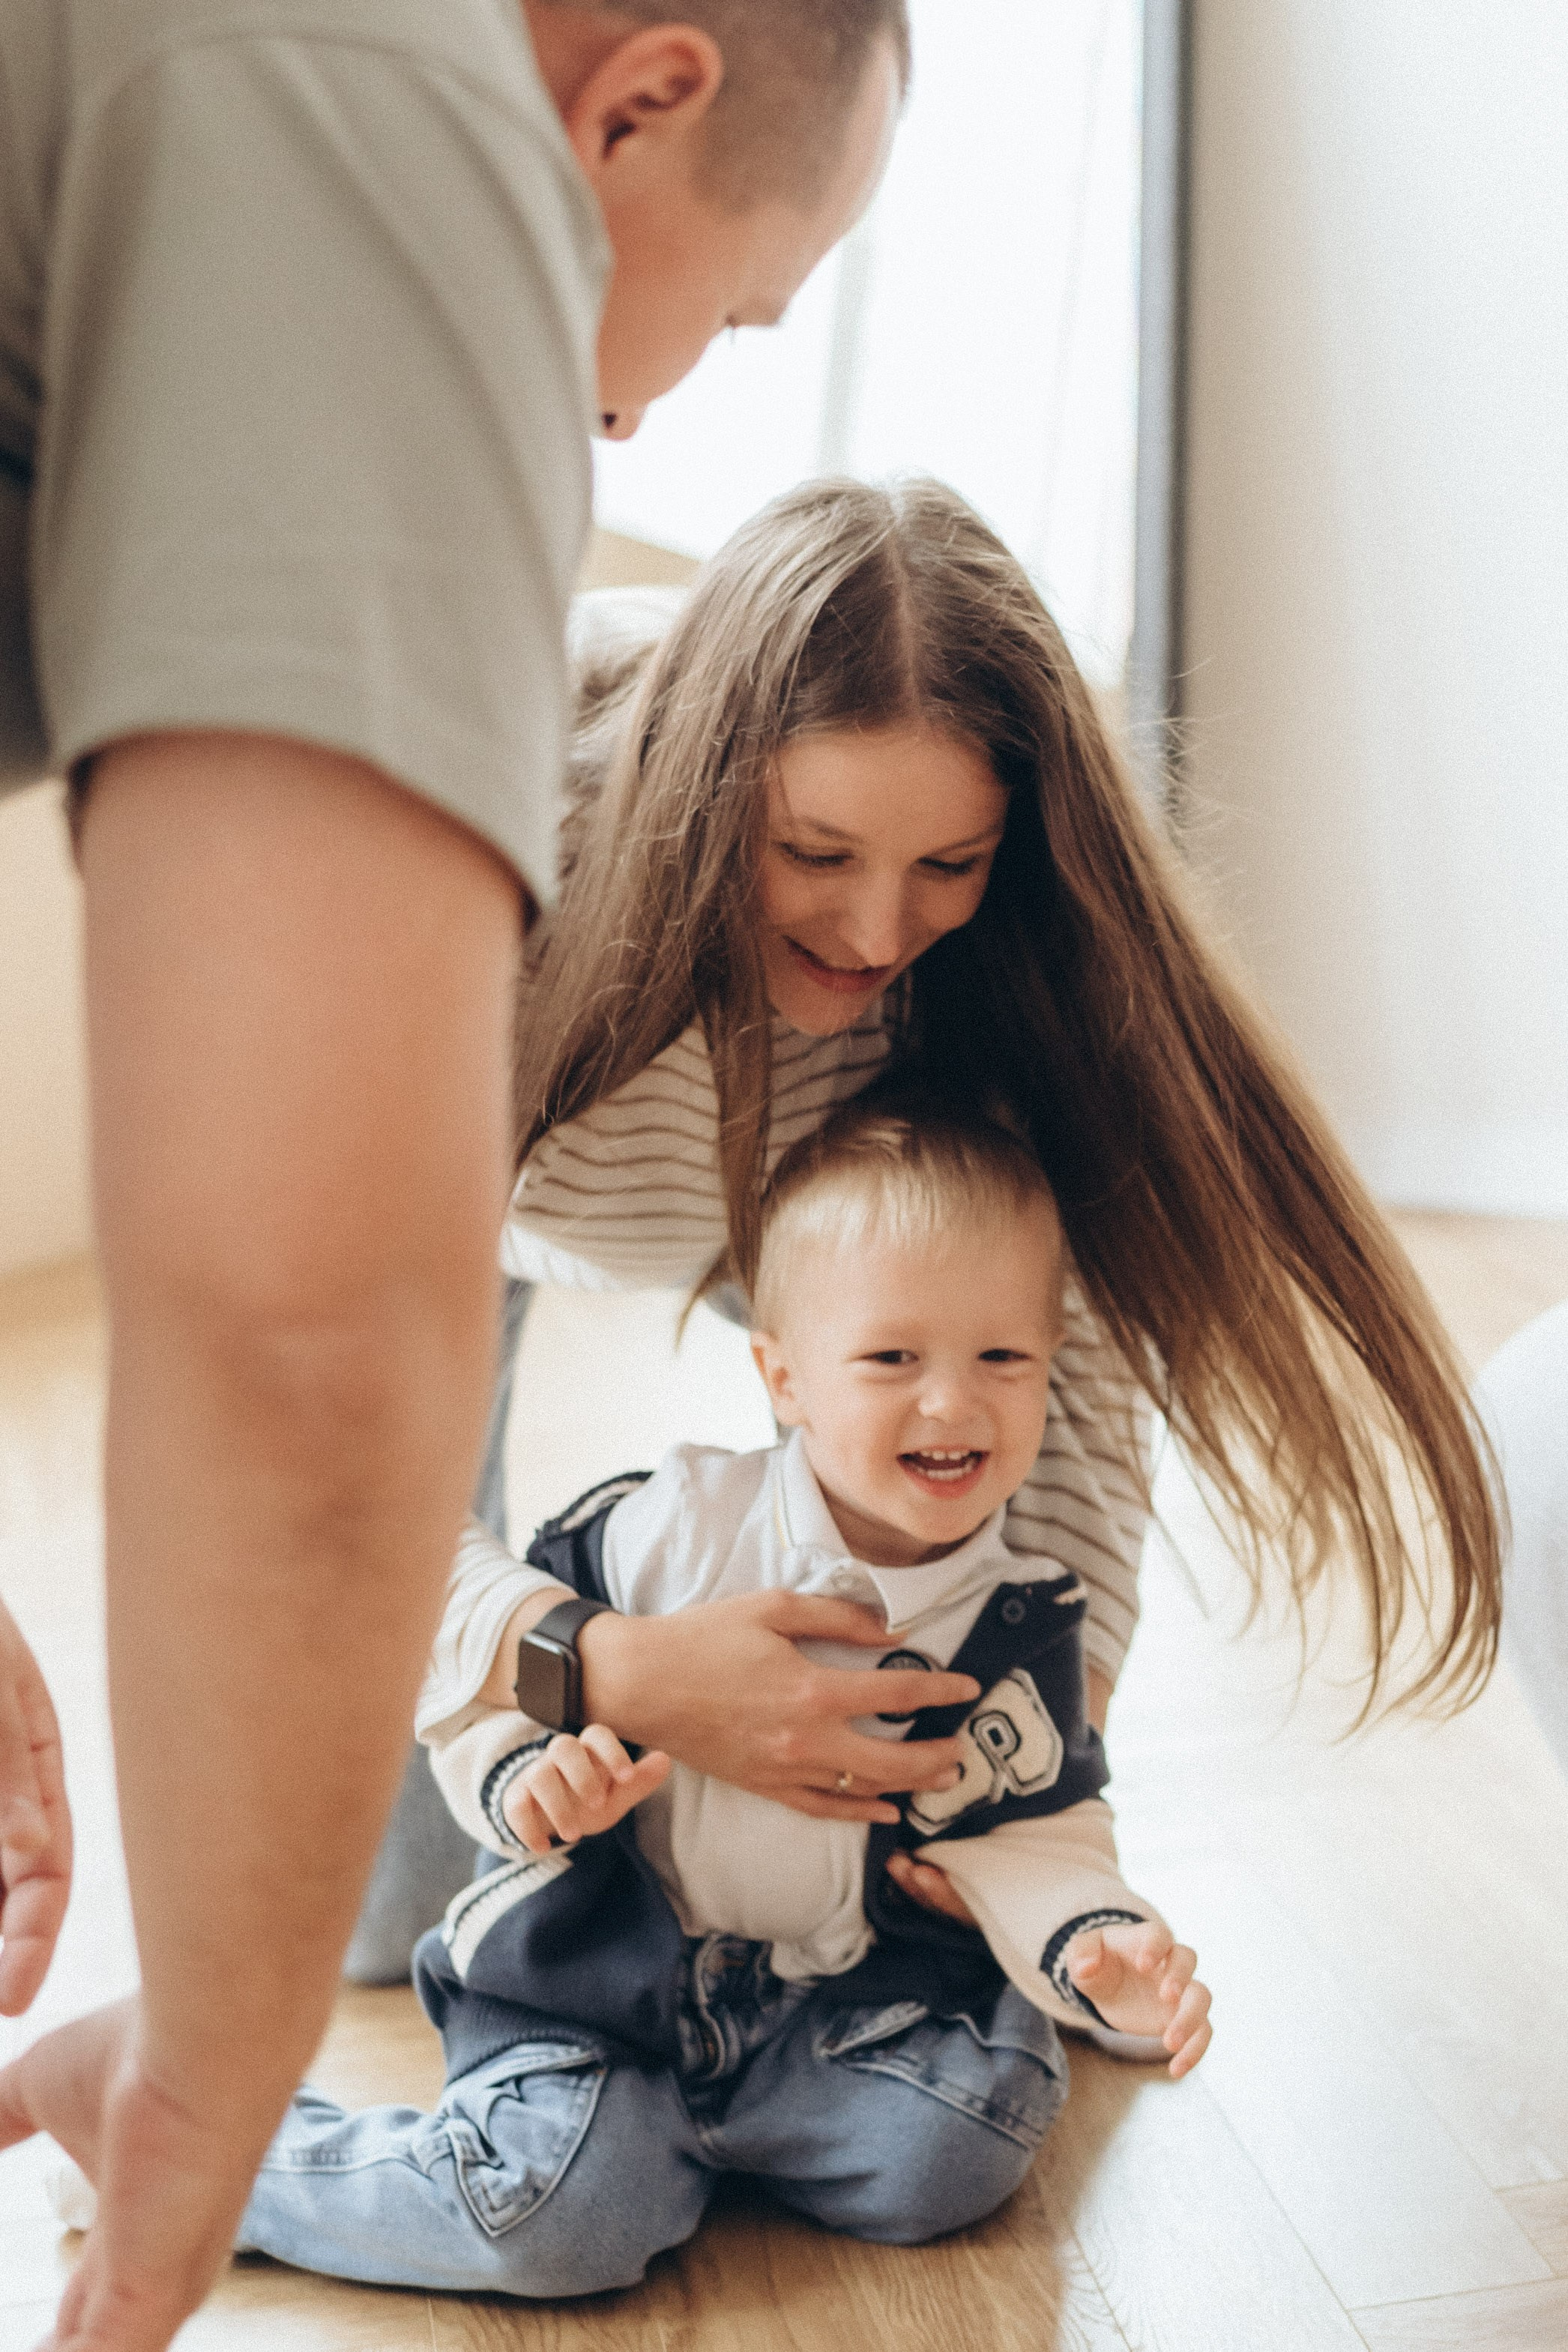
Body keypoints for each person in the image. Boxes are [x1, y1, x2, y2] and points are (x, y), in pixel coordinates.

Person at [0, 6, 908, 2347]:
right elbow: (302, 1320)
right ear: (638, 105)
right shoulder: (399, 124)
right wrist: (212, 2070)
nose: (644, 409)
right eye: (736, 315)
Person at [344, 468, 1507, 2007]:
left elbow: (1068, 1377)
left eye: (946, 865)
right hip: (439, 1200)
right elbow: (296, 1438)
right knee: (396, 1911)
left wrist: (1022, 1767)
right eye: (814, 854)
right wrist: (604, 1664)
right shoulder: (477, 820)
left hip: (815, 1205)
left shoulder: (994, 976)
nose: (877, 932)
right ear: (705, 791)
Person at [199, 1107, 1210, 2294]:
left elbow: (1039, 1827)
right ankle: (220, 2166)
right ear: (783, 1375)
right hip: (604, 1993)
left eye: (1002, 1358)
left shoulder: (1023, 1617)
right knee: (555, 2224)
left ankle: (702, 2138)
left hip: (829, 2007)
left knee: (956, 2149)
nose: (953, 1403)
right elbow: (502, 1688)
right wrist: (529, 1776)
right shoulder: (674, 1525)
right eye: (893, 1359)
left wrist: (1092, 1939)